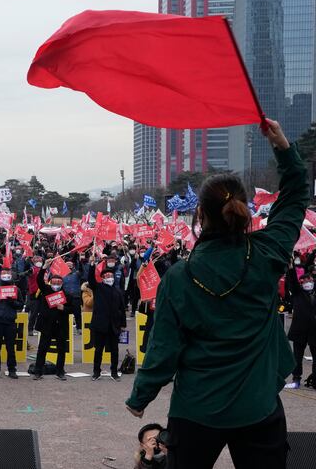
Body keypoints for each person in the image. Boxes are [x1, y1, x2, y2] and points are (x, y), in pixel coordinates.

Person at [126, 120, 304, 469]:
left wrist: (141, 396)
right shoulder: (267, 252)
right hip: (258, 404)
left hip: (197, 407)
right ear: (243, 210)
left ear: (200, 214)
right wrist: (283, 146)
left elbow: (164, 346)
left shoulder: (179, 276)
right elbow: (296, 194)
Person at [88, 265, 126, 381]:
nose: (109, 278)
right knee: (98, 349)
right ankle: (96, 372)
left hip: (114, 325)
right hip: (100, 324)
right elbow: (90, 279)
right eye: (106, 276)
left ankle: (114, 372)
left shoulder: (118, 291)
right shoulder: (98, 287)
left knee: (115, 350)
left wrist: (123, 324)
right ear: (102, 278)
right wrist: (92, 266)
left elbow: (122, 308)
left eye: (111, 276)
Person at [33, 269, 73, 380]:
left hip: (60, 325)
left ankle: (60, 371)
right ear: (50, 282)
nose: (56, 285)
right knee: (42, 349)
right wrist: (43, 269)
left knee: (61, 350)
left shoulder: (67, 295)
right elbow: (39, 280)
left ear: (62, 284)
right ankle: (38, 371)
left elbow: (73, 309)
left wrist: (64, 308)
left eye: (58, 283)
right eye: (54, 283)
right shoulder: (46, 290)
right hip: (47, 325)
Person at [0, 267, 24, 379]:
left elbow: (20, 304)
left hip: (10, 321)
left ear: (11, 274)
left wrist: (12, 302)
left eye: (7, 272)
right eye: (3, 273)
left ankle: (12, 369)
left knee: (10, 347)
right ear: (0, 274)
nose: (5, 274)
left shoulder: (16, 289)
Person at [284, 267, 316, 389]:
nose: (309, 281)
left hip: (314, 331)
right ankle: (296, 379)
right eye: (306, 280)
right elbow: (292, 281)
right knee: (297, 357)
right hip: (300, 330)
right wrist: (291, 268)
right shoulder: (297, 293)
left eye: (310, 279)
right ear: (301, 282)